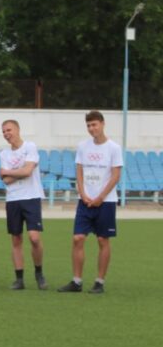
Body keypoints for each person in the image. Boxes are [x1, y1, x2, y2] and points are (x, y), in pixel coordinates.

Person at [58, 111, 123, 294]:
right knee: (78, 238)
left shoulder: (114, 148)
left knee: (103, 240)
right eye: (88, 125)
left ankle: (99, 282)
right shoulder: (83, 146)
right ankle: (76, 282)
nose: (91, 128)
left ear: (102, 124)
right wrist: (83, 193)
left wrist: (100, 197)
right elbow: (79, 171)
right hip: (85, 201)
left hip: (106, 202)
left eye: (94, 124)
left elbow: (116, 176)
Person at [0, 119, 47, 290]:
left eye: (9, 130)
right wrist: (15, 173)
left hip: (31, 197)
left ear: (18, 129)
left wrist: (10, 172)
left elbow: (27, 172)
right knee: (16, 238)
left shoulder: (30, 147)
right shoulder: (4, 153)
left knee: (34, 237)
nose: (6, 134)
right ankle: (19, 278)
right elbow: (5, 180)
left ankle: (39, 272)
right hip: (13, 199)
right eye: (4, 131)